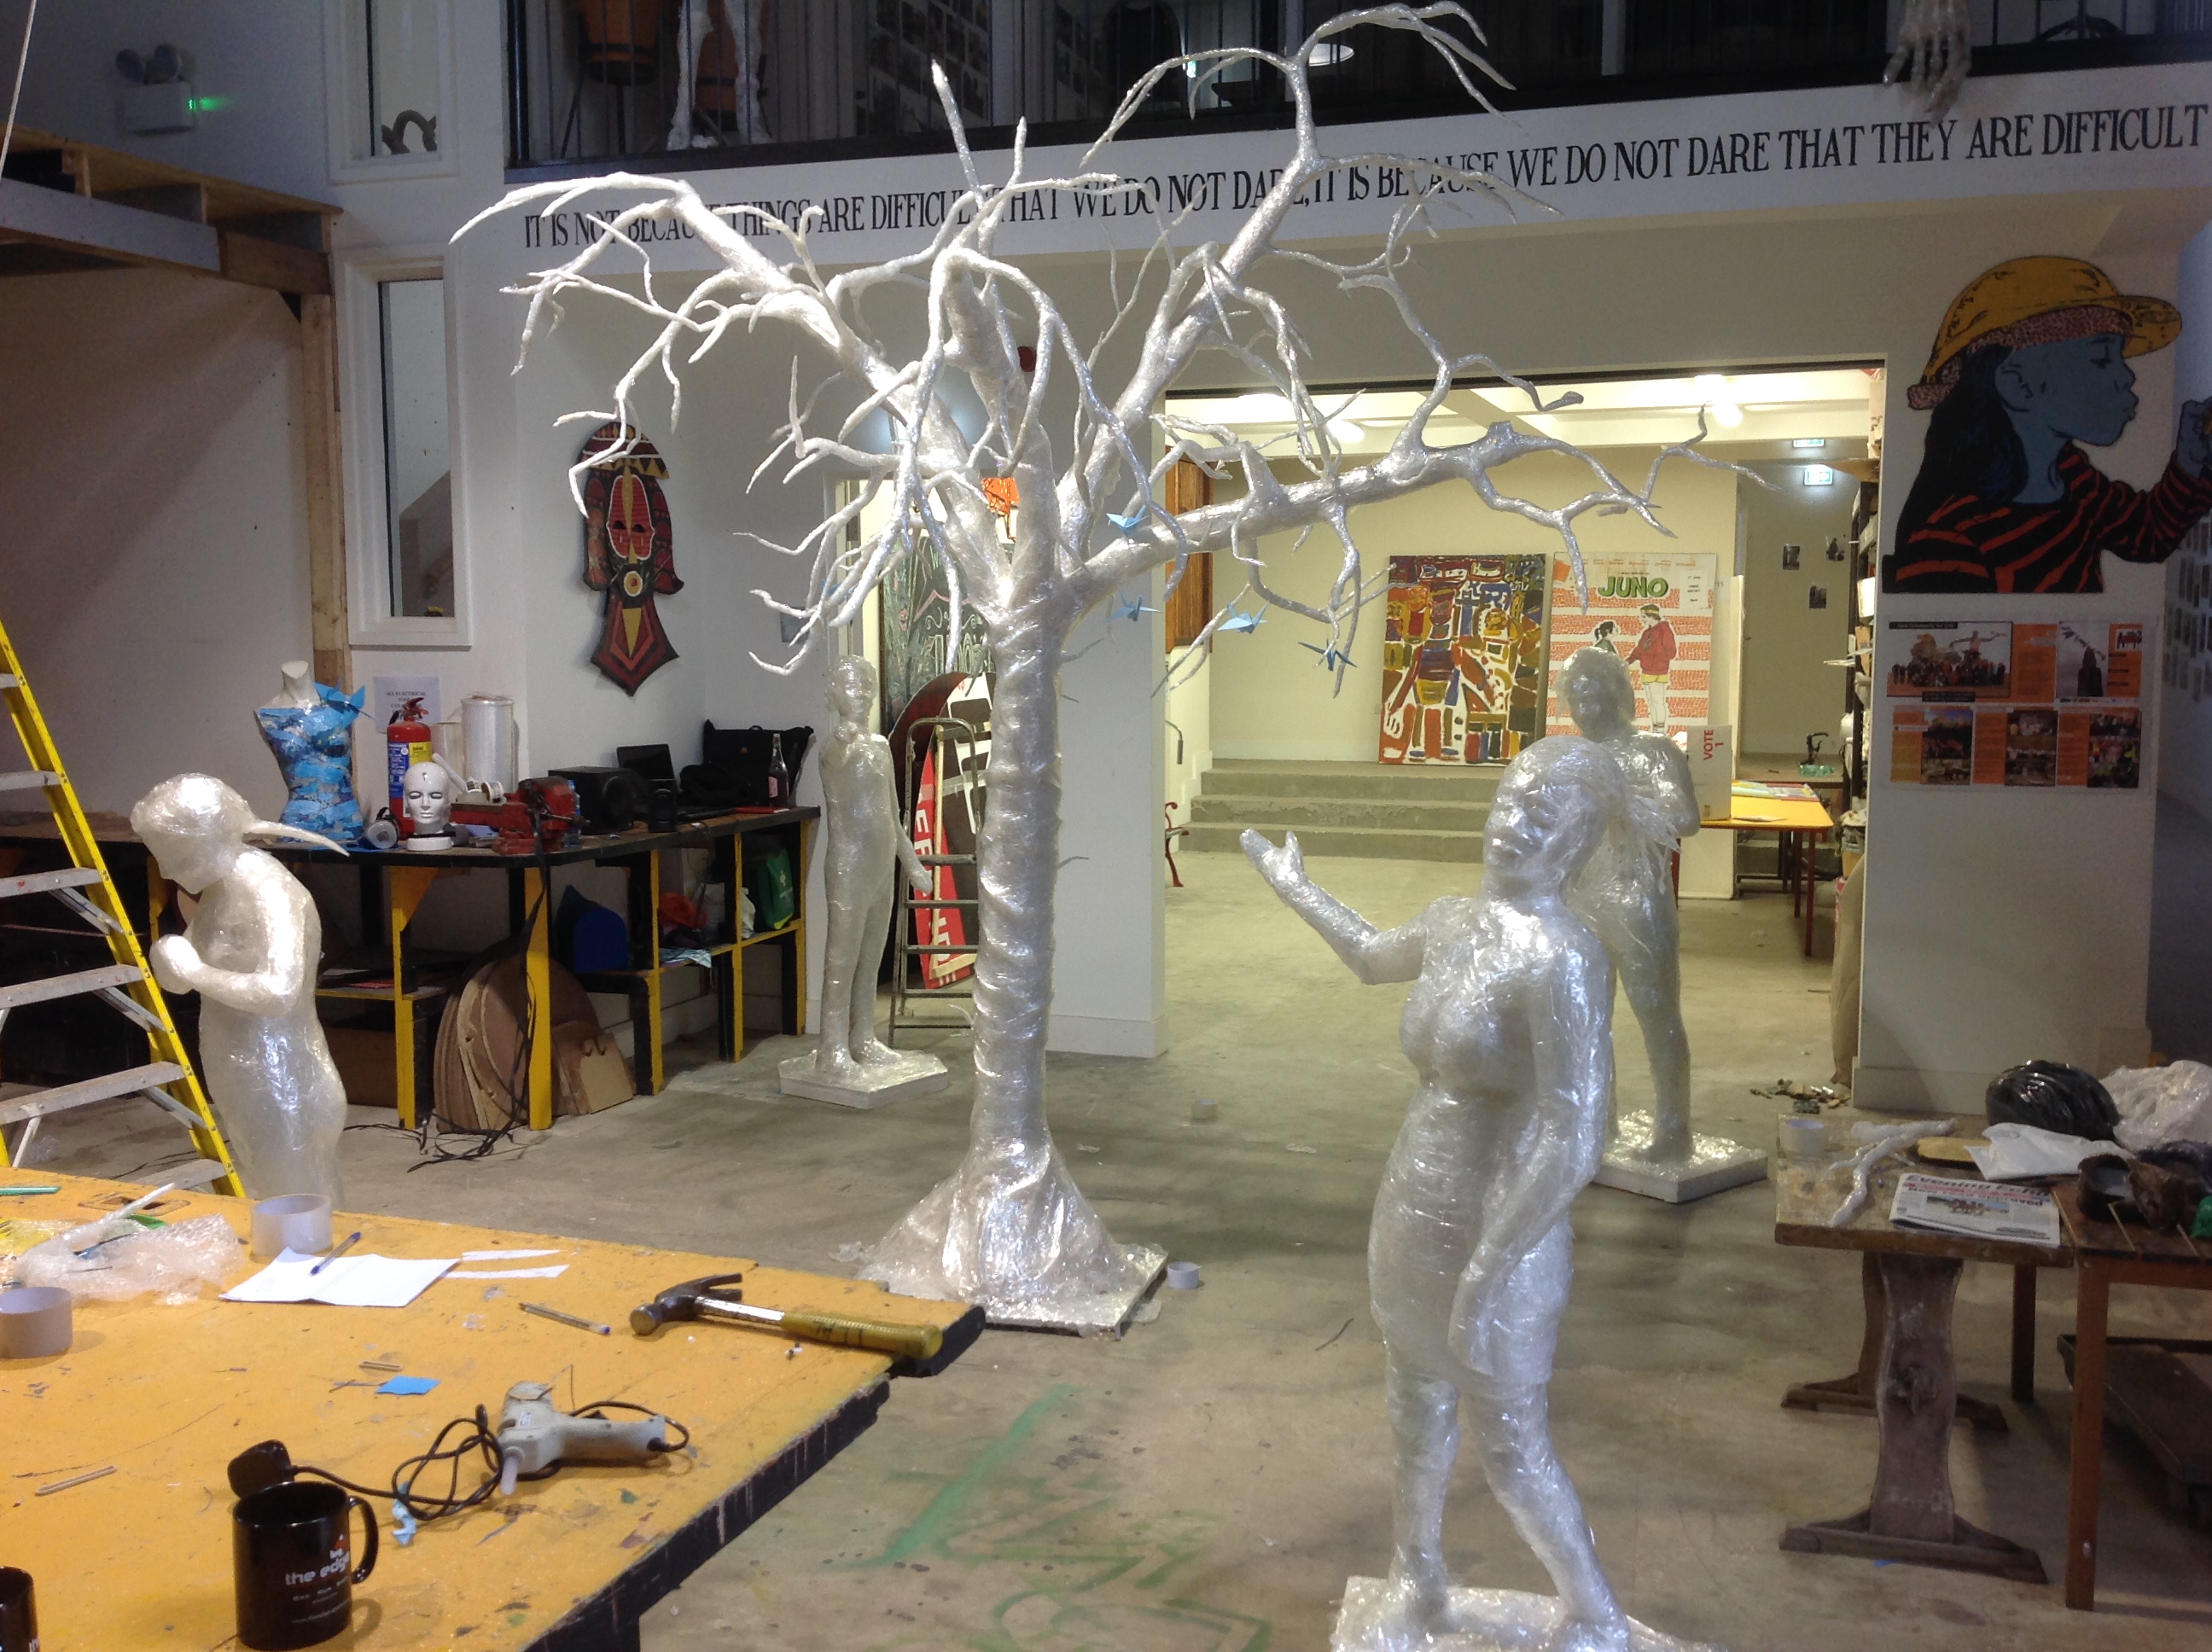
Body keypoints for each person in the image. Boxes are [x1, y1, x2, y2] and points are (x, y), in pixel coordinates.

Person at [1244, 737, 1646, 1652]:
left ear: (1576, 840)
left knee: (1511, 1442)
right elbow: (1368, 955)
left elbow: (1577, 1131)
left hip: (1505, 1229)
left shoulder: (1563, 956)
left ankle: (1592, 1610)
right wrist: (1295, 886)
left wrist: (1488, 1270)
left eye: (1543, 815)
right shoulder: (1455, 921)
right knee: (1415, 1410)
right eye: (1510, 800)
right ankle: (1416, 1576)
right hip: (1414, 1207)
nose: (1514, 824)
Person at [1889, 256, 2212, 593]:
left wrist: (2190, 460)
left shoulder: (2071, 475)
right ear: (2017, 385)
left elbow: (2147, 536)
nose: (2127, 376)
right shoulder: (1949, 544)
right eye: (2101, 359)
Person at [130, 775, 349, 1205]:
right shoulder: (219, 892)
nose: (167, 871)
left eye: (175, 857)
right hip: (245, 1082)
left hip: (282, 1083)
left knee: (297, 1204)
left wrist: (193, 971)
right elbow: (182, 976)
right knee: (271, 1198)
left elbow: (279, 991)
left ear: (206, 838)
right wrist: (170, 959)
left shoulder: (272, 893)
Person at [1557, 648, 1702, 1166]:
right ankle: (1601, 1120)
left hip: (1639, 900)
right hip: (1581, 899)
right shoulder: (1571, 757)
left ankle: (1673, 1129)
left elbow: (1685, 819)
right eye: (1576, 697)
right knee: (1588, 1016)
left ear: (1617, 694)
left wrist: (1623, 801)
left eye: (1593, 695)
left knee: (1656, 1012)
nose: (1584, 707)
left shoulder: (1654, 752)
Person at [786, 656, 935, 1087]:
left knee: (871, 957)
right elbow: (836, 760)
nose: (862, 696)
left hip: (880, 864)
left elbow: (892, 813)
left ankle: (863, 1038)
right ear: (833, 694)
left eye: (866, 688)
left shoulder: (881, 746)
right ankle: (832, 1048)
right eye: (851, 687)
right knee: (842, 958)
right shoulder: (834, 749)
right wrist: (844, 738)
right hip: (848, 866)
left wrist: (911, 862)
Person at [1622, 602, 1677, 730]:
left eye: (1644, 616)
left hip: (1658, 671)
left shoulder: (1664, 630)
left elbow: (1671, 652)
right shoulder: (1647, 632)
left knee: (1658, 701)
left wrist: (1656, 659)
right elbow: (1639, 650)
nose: (1642, 619)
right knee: (1651, 701)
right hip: (1647, 670)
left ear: (1652, 616)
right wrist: (1629, 661)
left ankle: (1661, 729)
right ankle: (1655, 727)